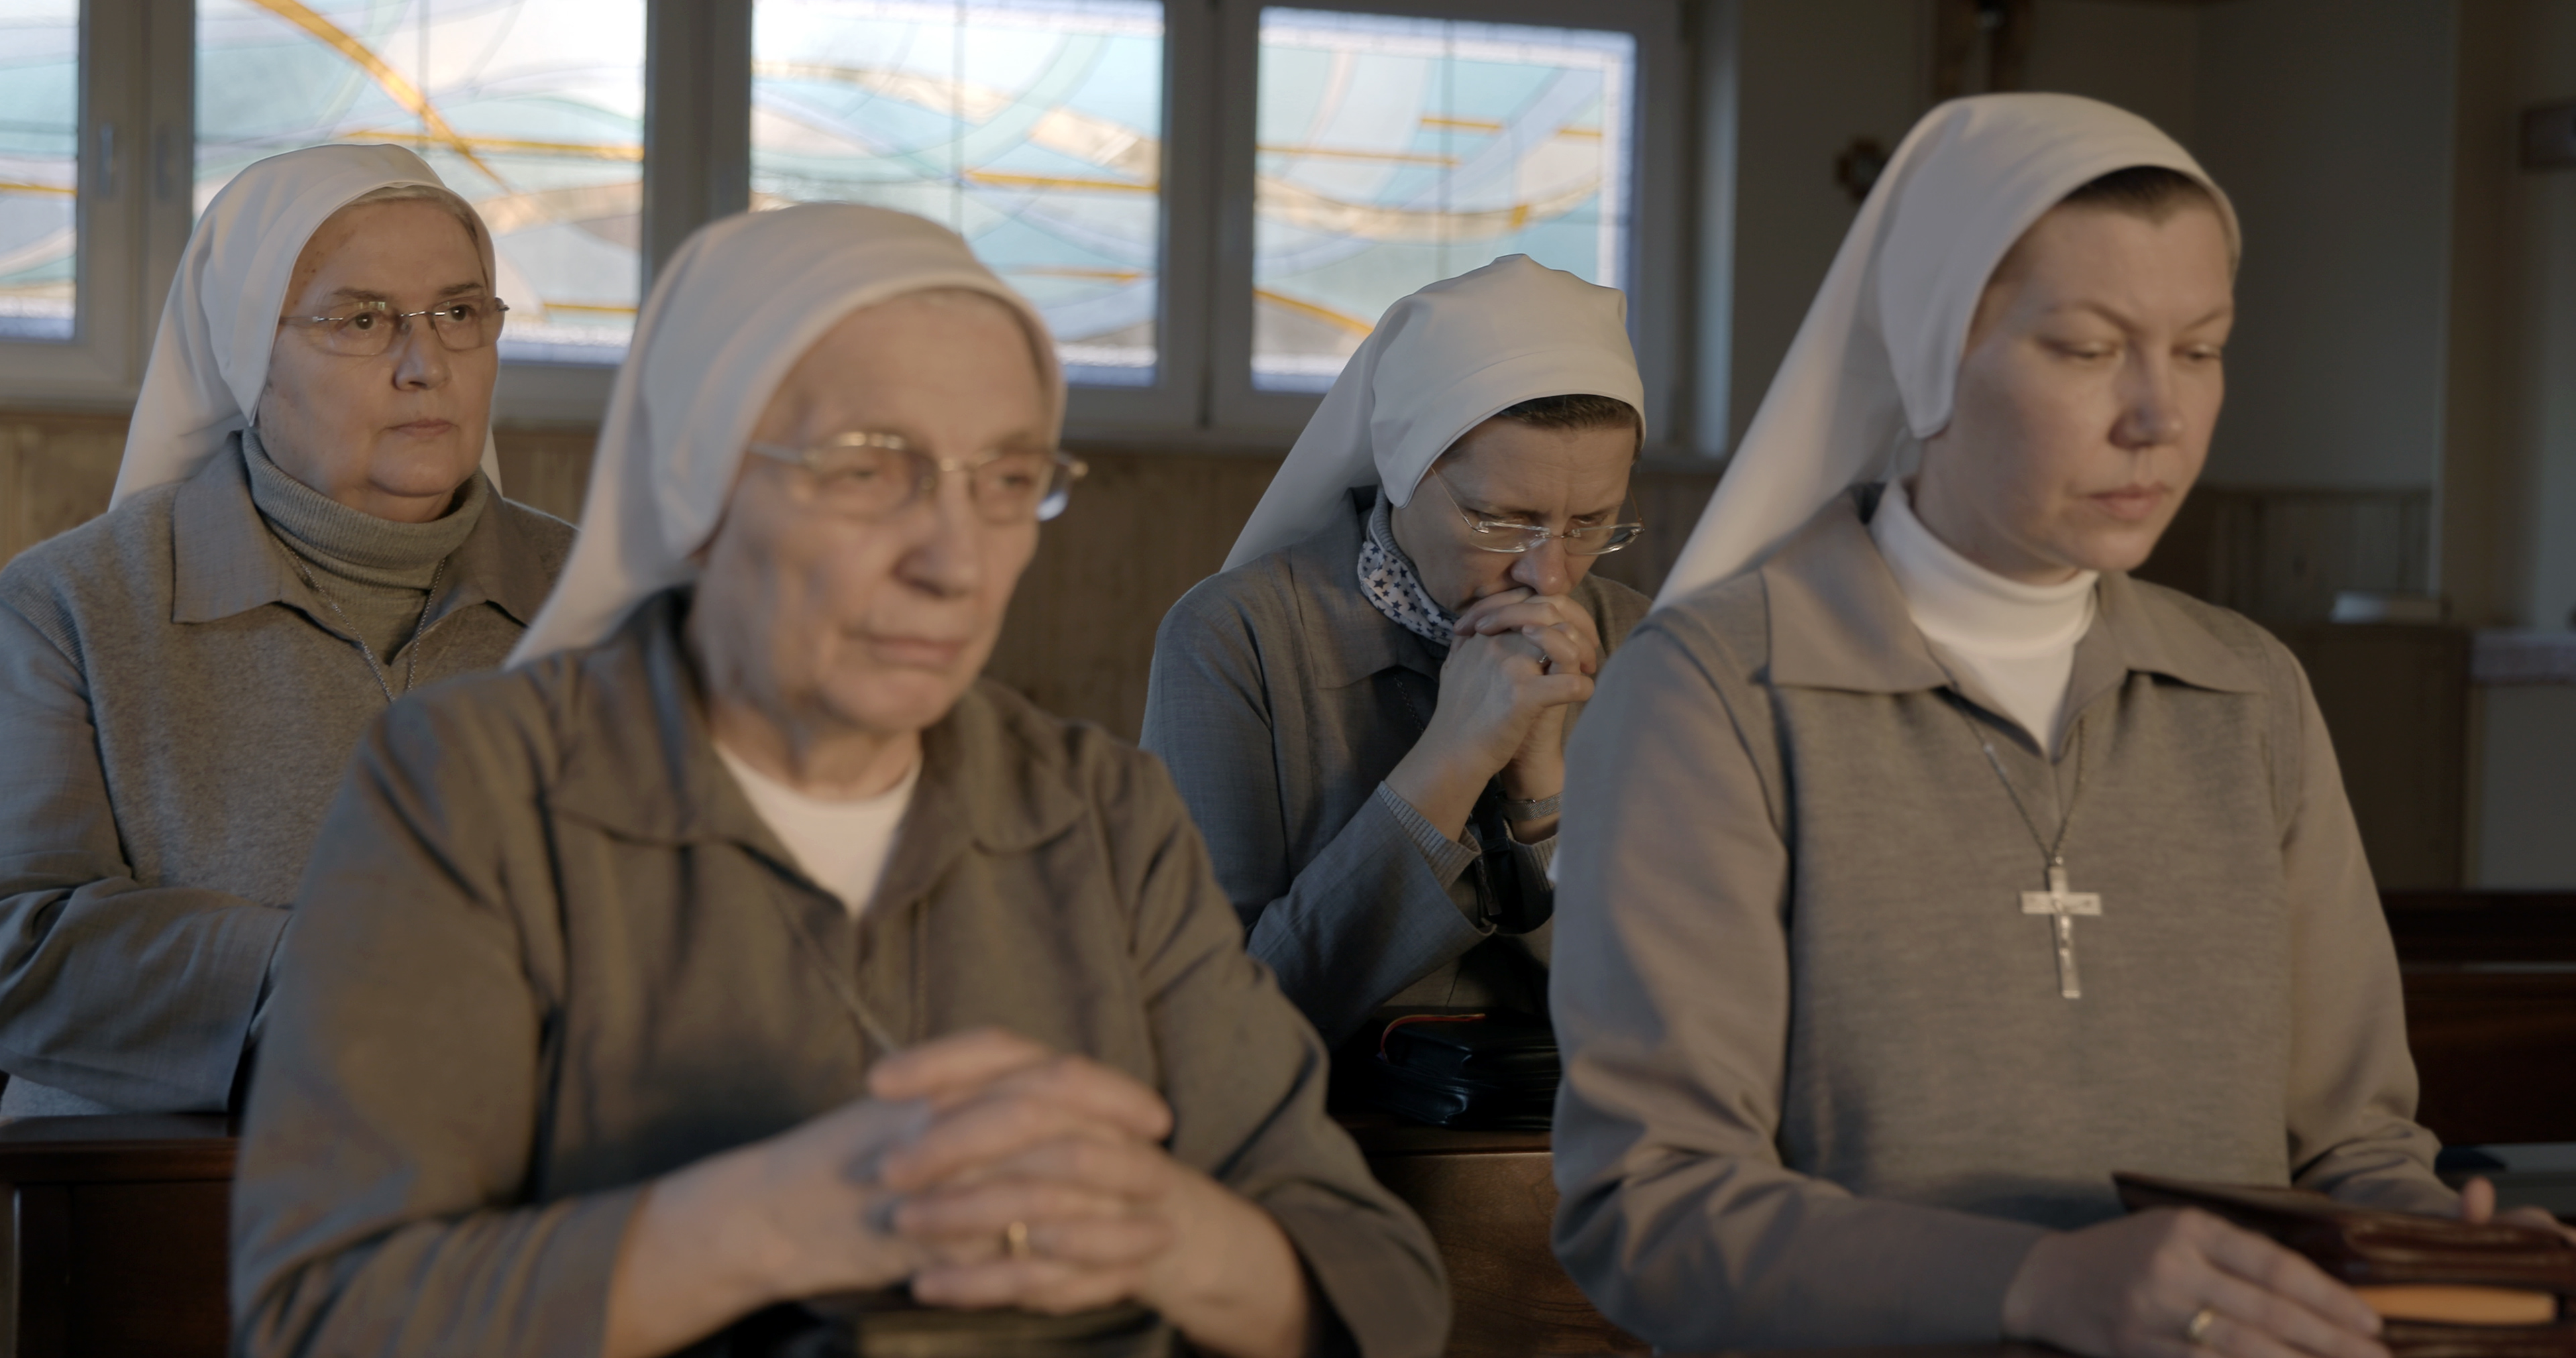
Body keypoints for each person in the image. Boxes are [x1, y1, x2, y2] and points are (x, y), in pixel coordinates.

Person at [229, 203, 1448, 1358]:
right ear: (698, 486)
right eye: (869, 469)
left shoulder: (1097, 811)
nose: (954, 561)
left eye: (1007, 479)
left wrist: (1166, 1230)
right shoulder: (475, 791)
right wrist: (772, 1220)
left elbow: (1387, 1292)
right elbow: (328, 1315)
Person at [1549, 93, 2574, 1358]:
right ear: (1933, 356)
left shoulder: (2249, 694)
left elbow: (2350, 1148)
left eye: (2201, 349)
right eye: (2089, 350)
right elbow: (1650, 1208)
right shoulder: (1712, 693)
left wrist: (2441, 1254)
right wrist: (2038, 1283)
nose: (2160, 416)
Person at [0, 145, 570, 1116]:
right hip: (151, 1189)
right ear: (246, 353)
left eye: (460, 313)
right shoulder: (68, 607)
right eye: (362, 320)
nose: (427, 366)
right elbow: (20, 943)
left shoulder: (602, 605)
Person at [1142, 256, 1650, 1048]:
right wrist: (1452, 759)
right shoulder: (1234, 638)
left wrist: (1544, 800)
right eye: (1500, 521)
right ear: (1403, 468)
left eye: (1591, 524)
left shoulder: (1638, 641)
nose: (1550, 575)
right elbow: (1215, 1022)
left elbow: (1660, 1008)